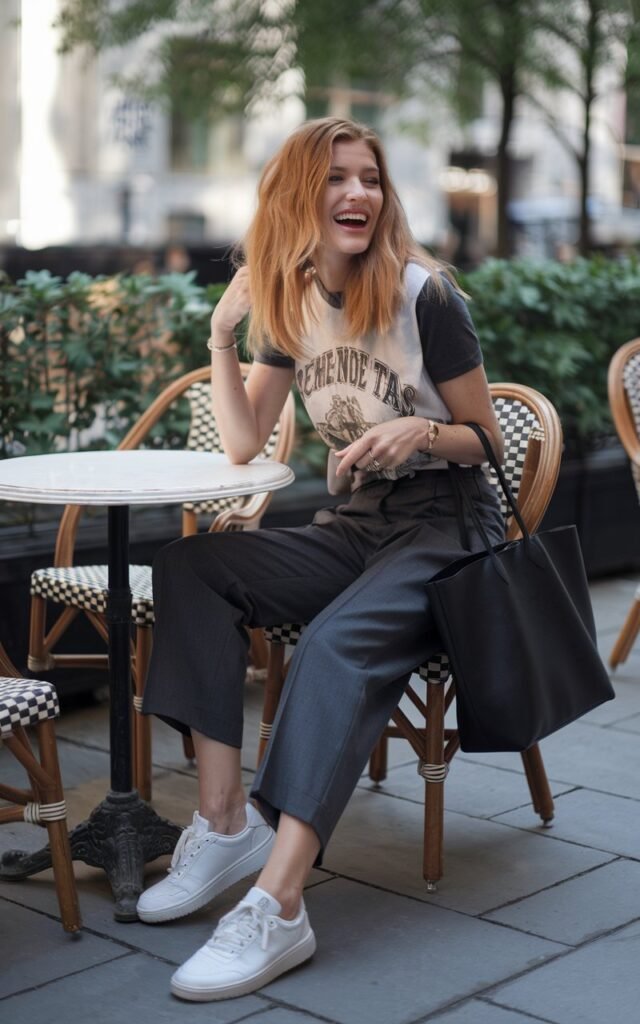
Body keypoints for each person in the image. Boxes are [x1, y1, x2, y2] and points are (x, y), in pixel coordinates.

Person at [137, 116, 505, 1002]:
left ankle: (280, 903)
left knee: (336, 643)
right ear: (299, 197)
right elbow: (243, 441)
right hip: (360, 525)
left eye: (370, 178)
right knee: (192, 568)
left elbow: (488, 441)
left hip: (449, 528)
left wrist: (423, 431)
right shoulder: (294, 301)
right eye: (338, 178)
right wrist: (223, 336)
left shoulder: (425, 296)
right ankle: (226, 823)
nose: (358, 194)